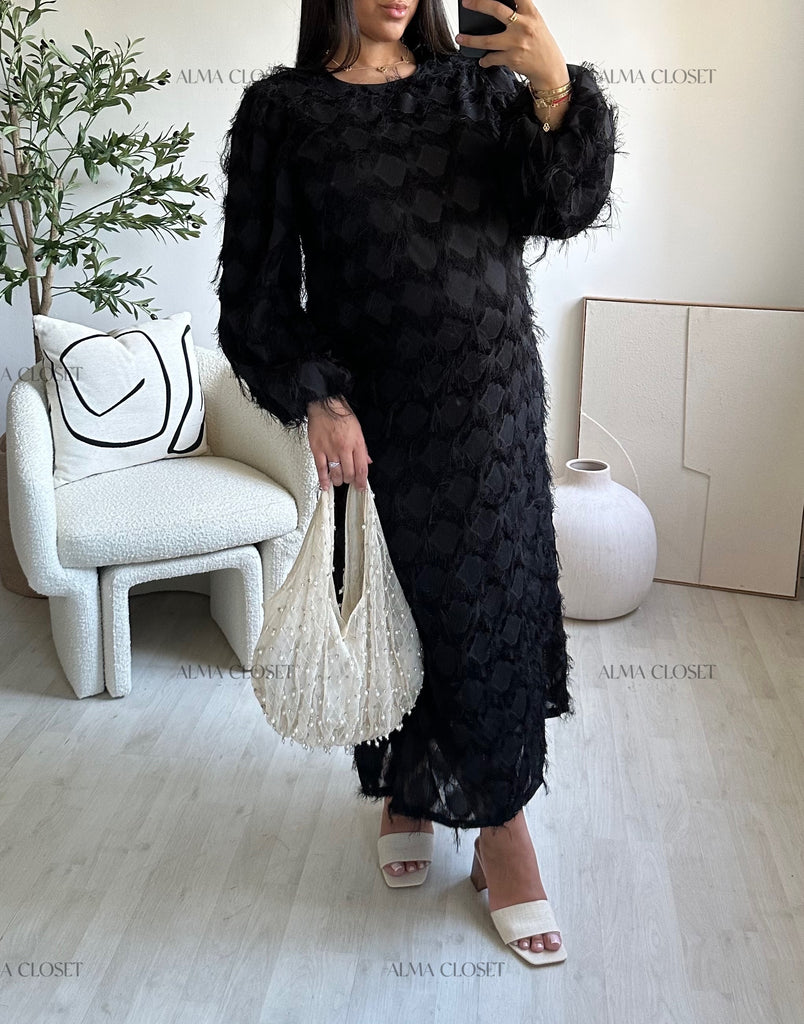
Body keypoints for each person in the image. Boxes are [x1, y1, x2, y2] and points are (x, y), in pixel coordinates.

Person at [213, 0, 620, 966]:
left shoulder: (480, 89)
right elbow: (255, 292)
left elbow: (561, 207)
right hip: (376, 421)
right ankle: (407, 782)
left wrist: (553, 85)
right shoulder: (285, 112)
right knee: (396, 606)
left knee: (489, 608)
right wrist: (319, 401)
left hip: (491, 407)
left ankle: (503, 827)